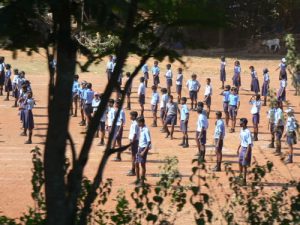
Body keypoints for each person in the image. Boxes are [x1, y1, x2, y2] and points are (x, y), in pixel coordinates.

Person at [135, 116, 151, 186]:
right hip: (139, 148)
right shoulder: (141, 128)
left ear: (141, 122)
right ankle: (138, 179)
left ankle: (142, 181)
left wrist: (144, 151)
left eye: (138, 123)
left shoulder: (146, 130)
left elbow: (149, 142)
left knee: (142, 165)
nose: (137, 124)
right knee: (136, 163)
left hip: (143, 148)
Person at [237, 118, 253, 185]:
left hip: (246, 149)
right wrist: (238, 148)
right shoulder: (242, 130)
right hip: (242, 148)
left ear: (244, 123)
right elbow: (242, 140)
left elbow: (249, 144)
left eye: (241, 122)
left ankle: (244, 180)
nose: (239, 123)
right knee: (240, 163)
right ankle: (240, 177)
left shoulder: (248, 132)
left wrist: (247, 153)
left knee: (244, 165)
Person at [127, 111, 139, 176]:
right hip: (134, 140)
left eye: (131, 115)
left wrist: (131, 143)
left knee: (133, 156)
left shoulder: (135, 124)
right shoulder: (134, 123)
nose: (130, 116)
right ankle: (133, 169)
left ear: (134, 116)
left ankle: (133, 170)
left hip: (134, 141)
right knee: (133, 156)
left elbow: (134, 134)